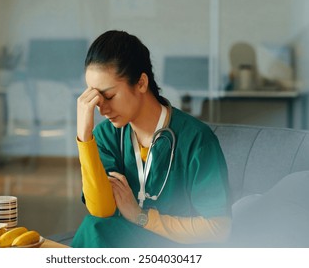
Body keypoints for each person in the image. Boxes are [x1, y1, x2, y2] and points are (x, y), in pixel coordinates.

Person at [72, 30, 231, 248]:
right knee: (94, 226)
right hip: (127, 242)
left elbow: (218, 228)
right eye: (96, 98)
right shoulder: (106, 136)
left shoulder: (196, 140)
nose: (102, 109)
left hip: (177, 249)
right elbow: (101, 210)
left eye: (108, 96)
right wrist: (84, 136)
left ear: (141, 83)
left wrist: (141, 217)